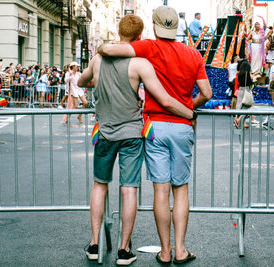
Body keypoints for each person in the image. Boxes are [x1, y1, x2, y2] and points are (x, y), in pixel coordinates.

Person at [79, 14, 196, 266]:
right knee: (129, 188)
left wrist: (96, 84)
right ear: (140, 35)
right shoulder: (140, 63)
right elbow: (163, 99)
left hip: (104, 132)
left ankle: (94, 244)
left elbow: (81, 81)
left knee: (99, 185)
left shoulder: (98, 59)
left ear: (119, 32)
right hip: (131, 133)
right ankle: (123, 249)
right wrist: (189, 113)